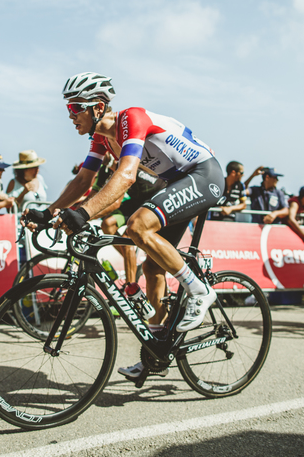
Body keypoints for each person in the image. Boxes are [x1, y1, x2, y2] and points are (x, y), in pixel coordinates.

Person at [23, 72, 224, 381]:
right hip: (175, 181)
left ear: (98, 107)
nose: (71, 115)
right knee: (153, 270)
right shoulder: (101, 137)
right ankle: (157, 352)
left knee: (137, 226)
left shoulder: (132, 119)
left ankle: (199, 290)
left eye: (76, 108)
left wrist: (84, 213)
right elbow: (83, 180)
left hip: (202, 174)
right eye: (68, 109)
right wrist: (50, 212)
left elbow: (127, 175)